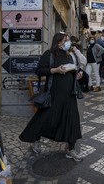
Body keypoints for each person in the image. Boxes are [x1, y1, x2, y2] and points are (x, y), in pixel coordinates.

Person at [19, 33, 83, 161]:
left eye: (68, 41)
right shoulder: (49, 54)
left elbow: (72, 71)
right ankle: (35, 139)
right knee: (45, 117)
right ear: (59, 42)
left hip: (69, 95)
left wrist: (77, 76)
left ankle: (71, 149)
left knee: (72, 119)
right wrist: (55, 70)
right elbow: (39, 70)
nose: (68, 43)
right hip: (54, 94)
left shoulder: (69, 55)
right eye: (66, 40)